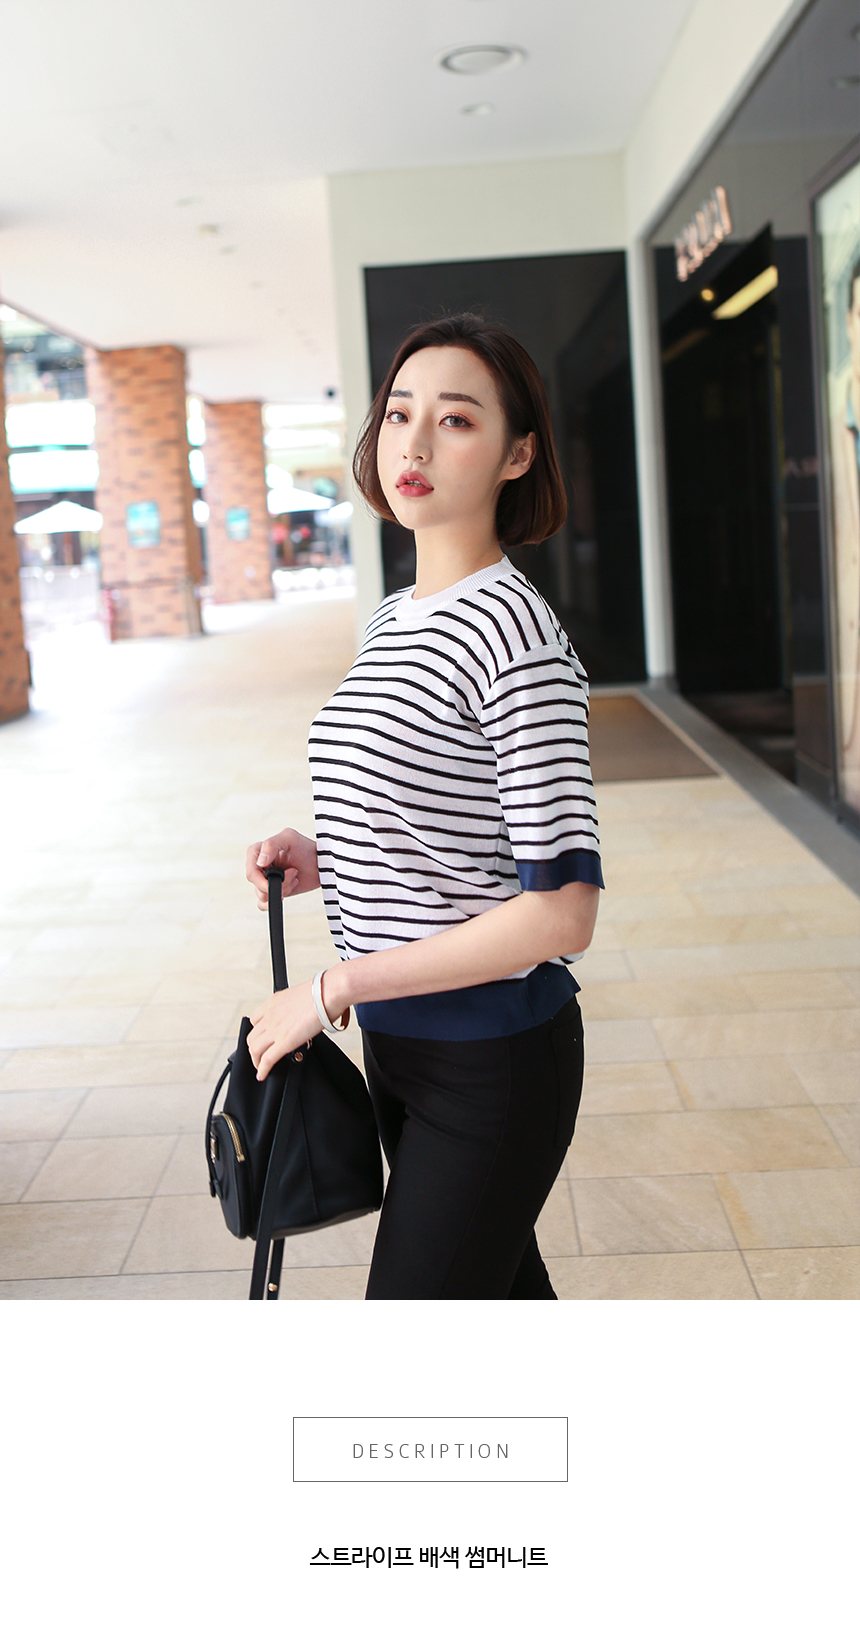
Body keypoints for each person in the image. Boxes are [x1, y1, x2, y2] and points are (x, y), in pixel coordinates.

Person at [245, 313, 603, 1299]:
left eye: (455, 420)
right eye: (400, 413)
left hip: (490, 1061)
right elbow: (437, 806)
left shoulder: (517, 637)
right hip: (402, 1048)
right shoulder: (393, 618)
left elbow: (561, 913)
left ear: (517, 454)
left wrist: (332, 988)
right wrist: (330, 850)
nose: (412, 445)